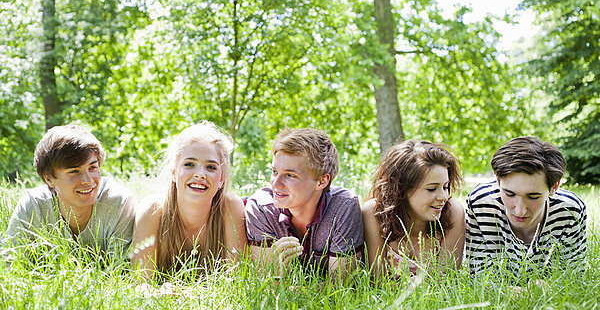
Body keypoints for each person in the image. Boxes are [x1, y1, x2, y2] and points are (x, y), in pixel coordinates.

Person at [131, 122, 247, 279]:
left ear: (221, 179)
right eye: (189, 164)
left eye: (211, 167)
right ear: (173, 172)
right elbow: (141, 283)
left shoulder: (230, 207)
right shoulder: (152, 211)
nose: (200, 174)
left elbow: (236, 279)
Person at [245, 128, 363, 277]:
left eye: (290, 175)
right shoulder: (261, 208)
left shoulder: (343, 207)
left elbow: (340, 287)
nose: (276, 183)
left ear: (322, 181)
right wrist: (274, 271)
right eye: (274, 172)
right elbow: (264, 283)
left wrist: (289, 288)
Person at [4, 124, 135, 257]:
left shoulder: (119, 203)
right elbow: (10, 264)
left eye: (92, 168)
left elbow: (119, 272)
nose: (88, 180)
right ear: (49, 179)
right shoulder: (33, 207)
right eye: (74, 171)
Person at [465, 136, 587, 276]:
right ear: (498, 181)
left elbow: (573, 276)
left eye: (533, 197)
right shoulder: (480, 203)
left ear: (554, 187)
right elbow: (479, 276)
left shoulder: (570, 210)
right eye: (509, 194)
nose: (520, 210)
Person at [362, 140, 465, 278]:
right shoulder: (375, 212)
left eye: (445, 187)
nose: (443, 197)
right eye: (432, 189)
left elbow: (446, 283)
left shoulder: (453, 213)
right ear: (402, 189)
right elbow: (376, 282)